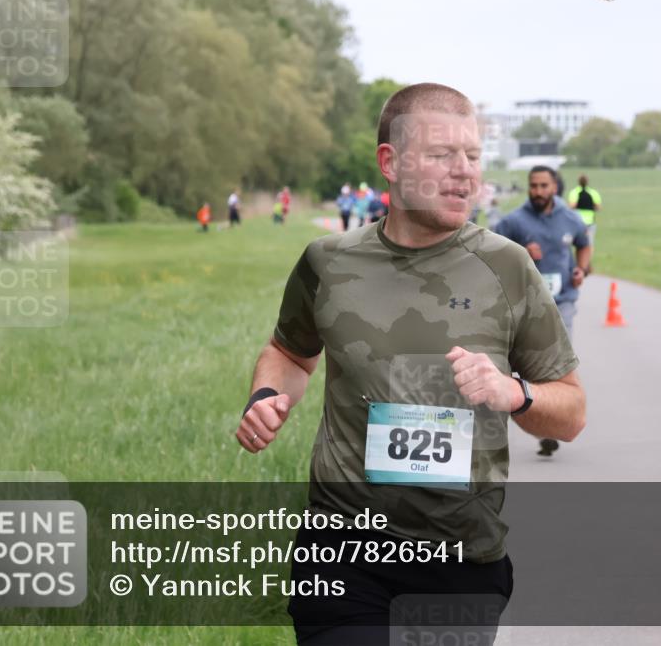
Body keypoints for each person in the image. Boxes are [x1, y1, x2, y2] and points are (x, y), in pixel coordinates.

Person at [236, 82, 586, 644]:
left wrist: (513, 393)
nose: (464, 172)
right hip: (342, 550)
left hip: (460, 555)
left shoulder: (507, 267)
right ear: (390, 163)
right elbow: (288, 355)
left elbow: (570, 413)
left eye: (472, 155)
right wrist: (265, 397)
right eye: (442, 154)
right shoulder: (327, 263)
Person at [494, 166, 591, 457]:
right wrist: (521, 250)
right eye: (533, 185)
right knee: (533, 365)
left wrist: (581, 270)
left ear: (555, 187)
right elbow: (492, 253)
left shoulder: (570, 218)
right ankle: (543, 421)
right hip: (526, 305)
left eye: (543, 186)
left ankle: (551, 426)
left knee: (557, 362)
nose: (538, 191)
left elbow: (584, 245)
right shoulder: (513, 221)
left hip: (562, 300)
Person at [567, 174, 602, 249]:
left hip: (577, 221)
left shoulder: (574, 192)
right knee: (589, 243)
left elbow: (571, 206)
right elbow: (598, 207)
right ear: (587, 182)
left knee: (575, 243)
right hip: (590, 222)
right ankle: (588, 260)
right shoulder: (593, 192)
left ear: (578, 182)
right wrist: (589, 206)